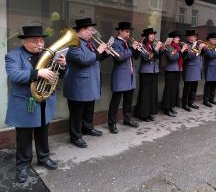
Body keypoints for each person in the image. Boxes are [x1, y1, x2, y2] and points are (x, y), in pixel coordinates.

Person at [5, 26, 66, 183]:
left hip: (44, 99)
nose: (39, 44)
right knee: (24, 137)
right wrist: (37, 72)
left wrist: (62, 65)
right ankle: (23, 165)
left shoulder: (47, 55)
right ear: (25, 41)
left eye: (41, 40)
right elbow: (14, 75)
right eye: (35, 41)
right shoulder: (13, 55)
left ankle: (44, 157)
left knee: (43, 132)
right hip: (26, 102)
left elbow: (60, 75)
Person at [64, 18, 108, 148]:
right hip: (78, 84)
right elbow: (83, 59)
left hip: (90, 81)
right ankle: (75, 136)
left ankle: (87, 128)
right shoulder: (73, 43)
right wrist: (99, 51)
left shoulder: (88, 43)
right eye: (90, 30)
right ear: (82, 30)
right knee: (77, 112)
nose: (92, 32)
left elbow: (96, 58)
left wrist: (105, 53)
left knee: (89, 107)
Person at [107, 22, 141, 134]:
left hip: (130, 75)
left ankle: (127, 118)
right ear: (120, 31)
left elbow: (135, 57)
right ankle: (112, 123)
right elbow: (119, 58)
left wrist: (137, 49)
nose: (128, 33)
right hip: (120, 76)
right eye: (126, 31)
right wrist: (131, 48)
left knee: (128, 100)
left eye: (129, 31)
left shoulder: (128, 43)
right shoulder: (115, 43)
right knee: (116, 101)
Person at [134, 28, 163, 122]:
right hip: (146, 72)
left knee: (152, 93)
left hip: (154, 71)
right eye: (151, 35)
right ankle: (143, 114)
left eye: (153, 35)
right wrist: (156, 49)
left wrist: (161, 49)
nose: (153, 36)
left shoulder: (152, 45)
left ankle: (149, 112)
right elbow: (147, 57)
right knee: (145, 94)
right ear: (146, 36)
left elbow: (158, 56)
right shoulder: (142, 45)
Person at [161, 31, 188, 116]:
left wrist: (185, 51)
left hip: (177, 70)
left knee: (174, 90)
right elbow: (172, 57)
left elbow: (181, 57)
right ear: (172, 38)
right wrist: (182, 51)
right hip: (170, 70)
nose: (179, 39)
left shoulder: (178, 46)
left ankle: (171, 107)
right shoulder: (168, 46)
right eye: (177, 37)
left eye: (178, 37)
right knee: (169, 90)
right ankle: (166, 108)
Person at [182, 29, 205, 112]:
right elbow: (189, 56)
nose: (195, 37)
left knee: (194, 87)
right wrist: (198, 47)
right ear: (188, 37)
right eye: (193, 36)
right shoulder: (185, 45)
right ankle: (184, 104)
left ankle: (191, 102)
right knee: (187, 88)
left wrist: (202, 48)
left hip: (197, 69)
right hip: (189, 69)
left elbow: (202, 54)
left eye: (195, 36)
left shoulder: (196, 44)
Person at [202, 33, 216, 107]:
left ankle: (211, 99)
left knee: (214, 85)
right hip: (210, 68)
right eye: (213, 39)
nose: (215, 40)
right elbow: (211, 55)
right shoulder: (206, 46)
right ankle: (205, 100)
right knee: (208, 85)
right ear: (209, 39)